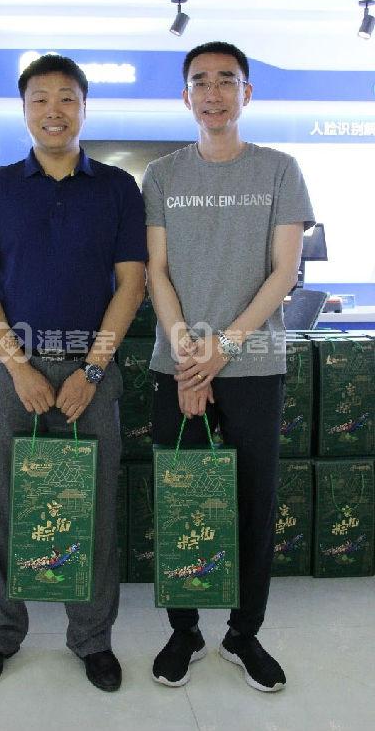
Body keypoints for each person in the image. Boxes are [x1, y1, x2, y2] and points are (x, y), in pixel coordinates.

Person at [0, 54, 147, 692]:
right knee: (2, 505)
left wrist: (91, 371)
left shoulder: (118, 189)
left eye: (67, 98)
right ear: (24, 110)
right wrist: (18, 367)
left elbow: (131, 283)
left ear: (84, 108)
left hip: (92, 370)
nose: (53, 111)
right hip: (12, 370)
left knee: (93, 504)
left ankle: (92, 639)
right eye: (39, 99)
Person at [143, 41, 314, 693]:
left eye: (226, 80)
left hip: (254, 366)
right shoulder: (162, 175)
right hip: (178, 363)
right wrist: (188, 352)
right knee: (181, 497)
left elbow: (284, 272)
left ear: (247, 92)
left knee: (253, 504)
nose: (212, 93)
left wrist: (223, 350)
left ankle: (244, 634)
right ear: (185, 96)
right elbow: (156, 271)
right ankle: (184, 629)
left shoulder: (279, 170)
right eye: (200, 82)